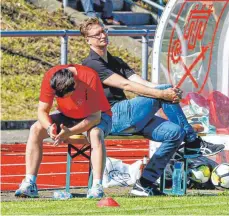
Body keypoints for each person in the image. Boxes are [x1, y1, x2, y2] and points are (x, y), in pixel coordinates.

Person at [79, 17, 225, 196]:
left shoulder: (115, 60)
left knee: (175, 133)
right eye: (97, 34)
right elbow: (127, 86)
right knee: (162, 93)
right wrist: (162, 93)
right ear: (88, 40)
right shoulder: (91, 64)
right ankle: (194, 142)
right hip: (110, 116)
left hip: (129, 114)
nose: (102, 35)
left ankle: (144, 184)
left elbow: (141, 82)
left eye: (103, 31)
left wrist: (170, 91)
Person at [15, 64, 112, 199]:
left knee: (95, 134)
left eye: (68, 95)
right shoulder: (51, 77)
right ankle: (29, 183)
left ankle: (97, 187)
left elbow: (95, 117)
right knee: (35, 129)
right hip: (66, 116)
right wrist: (50, 128)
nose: (64, 99)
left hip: (98, 116)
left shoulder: (89, 77)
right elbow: (42, 111)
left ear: (75, 84)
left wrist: (69, 132)